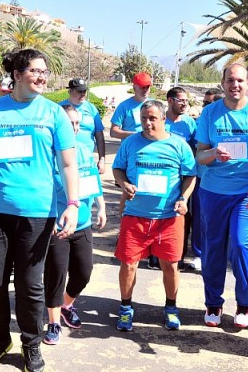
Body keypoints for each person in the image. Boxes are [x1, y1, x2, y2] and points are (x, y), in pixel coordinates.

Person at [0, 49, 80, 372]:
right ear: (16, 74)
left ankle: (31, 343)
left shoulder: (53, 114)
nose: (42, 76)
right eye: (35, 71)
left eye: (45, 71)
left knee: (30, 284)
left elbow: (68, 164)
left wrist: (72, 204)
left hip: (37, 213)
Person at [195, 63, 248, 329]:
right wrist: (214, 154)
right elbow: (200, 155)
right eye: (230, 80)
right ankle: (213, 303)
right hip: (213, 192)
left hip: (246, 192)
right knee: (213, 247)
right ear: (223, 83)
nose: (235, 85)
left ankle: (244, 303)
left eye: (240, 80)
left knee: (241, 245)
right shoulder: (210, 114)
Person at [112, 100, 196, 331]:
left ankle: (171, 308)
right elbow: (117, 169)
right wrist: (123, 183)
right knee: (128, 265)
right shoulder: (130, 143)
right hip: (135, 216)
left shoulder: (179, 146)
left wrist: (183, 199)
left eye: (152, 118)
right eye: (143, 119)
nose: (147, 124)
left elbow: (190, 175)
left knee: (170, 265)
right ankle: (126, 308)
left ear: (163, 119)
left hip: (169, 217)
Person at [43, 104, 107, 345]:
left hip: (83, 223)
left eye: (78, 124)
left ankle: (66, 305)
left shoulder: (83, 149)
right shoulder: (48, 154)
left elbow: (92, 178)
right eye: (70, 124)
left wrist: (101, 205)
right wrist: (48, 219)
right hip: (57, 227)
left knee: (83, 273)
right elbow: (42, 190)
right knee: (55, 275)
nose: (76, 128)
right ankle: (53, 322)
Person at [164, 86, 198, 271]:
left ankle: (179, 256)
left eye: (187, 100)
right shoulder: (161, 121)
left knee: (184, 215)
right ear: (170, 101)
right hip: (163, 177)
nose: (185, 104)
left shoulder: (189, 123)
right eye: (181, 100)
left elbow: (197, 148)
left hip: (184, 178)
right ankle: (156, 255)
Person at [60, 77, 106, 174]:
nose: (83, 94)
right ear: (70, 91)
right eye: (79, 91)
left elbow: (99, 135)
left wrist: (102, 159)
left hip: (87, 158)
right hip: (65, 157)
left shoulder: (91, 108)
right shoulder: (59, 108)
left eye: (84, 91)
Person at [109, 72, 152, 139]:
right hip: (130, 147)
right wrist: (136, 136)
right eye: (142, 87)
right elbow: (113, 132)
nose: (145, 90)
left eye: (147, 87)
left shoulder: (155, 105)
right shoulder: (124, 106)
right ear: (134, 87)